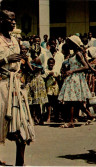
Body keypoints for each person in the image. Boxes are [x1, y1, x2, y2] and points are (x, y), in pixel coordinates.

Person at [0, 9, 35, 166]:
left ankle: (20, 163)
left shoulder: (16, 40)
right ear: (1, 20)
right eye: (10, 19)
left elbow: (23, 65)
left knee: (22, 127)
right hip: (1, 87)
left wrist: (25, 62)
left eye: (14, 19)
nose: (14, 22)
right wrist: (5, 59)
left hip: (16, 87)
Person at [58, 35, 93, 128]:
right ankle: (88, 115)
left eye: (69, 42)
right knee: (73, 100)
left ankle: (71, 121)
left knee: (72, 100)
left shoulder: (78, 53)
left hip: (76, 77)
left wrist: (73, 71)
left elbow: (86, 66)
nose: (67, 44)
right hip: (72, 77)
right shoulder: (73, 54)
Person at [42, 58, 60, 123]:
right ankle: (48, 117)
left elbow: (59, 78)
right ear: (47, 63)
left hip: (55, 88)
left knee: (55, 103)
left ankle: (56, 117)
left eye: (52, 63)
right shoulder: (46, 71)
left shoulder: (56, 70)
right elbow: (43, 78)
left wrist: (55, 76)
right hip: (48, 88)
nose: (51, 64)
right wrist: (48, 75)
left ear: (54, 64)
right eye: (49, 63)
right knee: (49, 103)